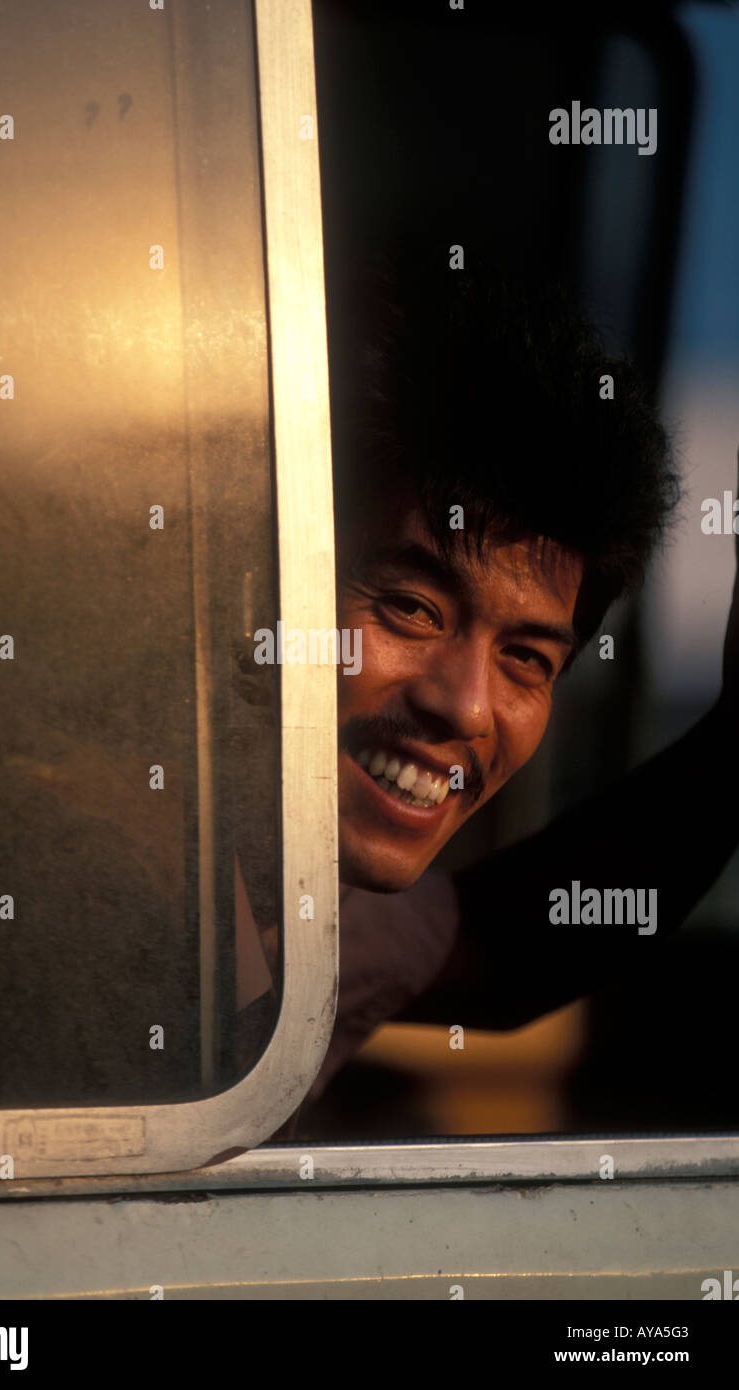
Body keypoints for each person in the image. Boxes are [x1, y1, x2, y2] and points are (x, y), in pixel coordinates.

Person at [270, 259, 739, 1136]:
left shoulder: (304, 918)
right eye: (411, 607)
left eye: (526, 658)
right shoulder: (102, 892)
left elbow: (506, 942)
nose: (467, 706)